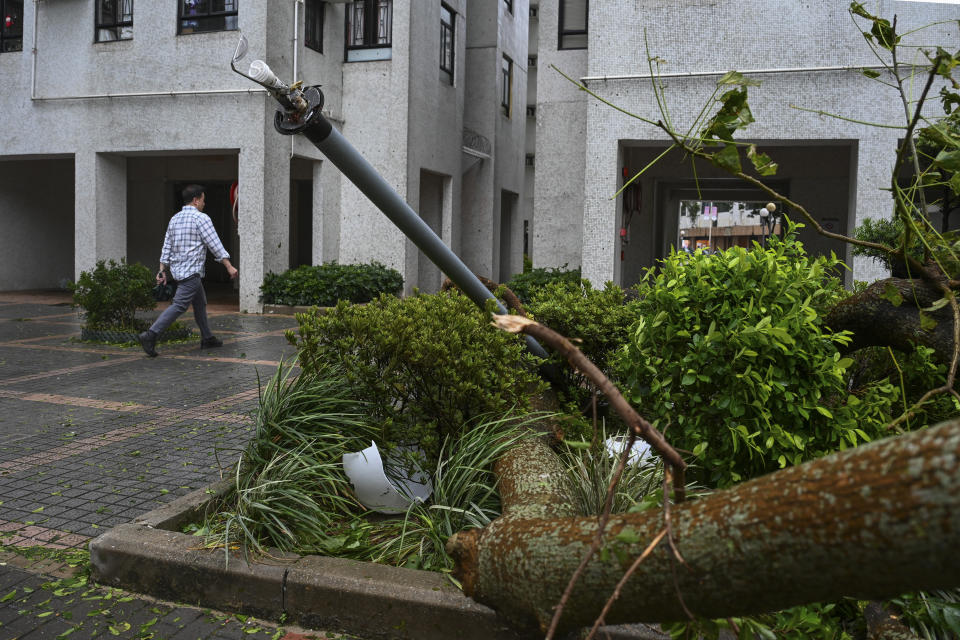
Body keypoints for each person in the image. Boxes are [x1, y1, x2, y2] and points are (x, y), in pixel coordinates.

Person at [138, 184, 238, 357]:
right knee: (179, 305)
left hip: (180, 271)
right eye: (203, 200)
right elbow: (214, 243)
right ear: (196, 200)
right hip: (191, 271)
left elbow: (167, 246)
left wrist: (162, 269)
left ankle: (207, 338)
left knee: (200, 303)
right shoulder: (201, 218)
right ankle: (151, 334)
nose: (204, 204)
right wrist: (228, 266)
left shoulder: (174, 219)